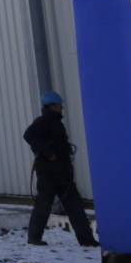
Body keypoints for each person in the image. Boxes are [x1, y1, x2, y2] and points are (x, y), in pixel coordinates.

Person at [23, 91, 98, 247]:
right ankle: (85, 239)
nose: (61, 108)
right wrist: (49, 153)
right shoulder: (44, 122)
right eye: (59, 105)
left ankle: (86, 240)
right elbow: (28, 135)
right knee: (57, 205)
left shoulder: (55, 122)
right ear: (52, 106)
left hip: (61, 172)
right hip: (49, 173)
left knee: (70, 205)